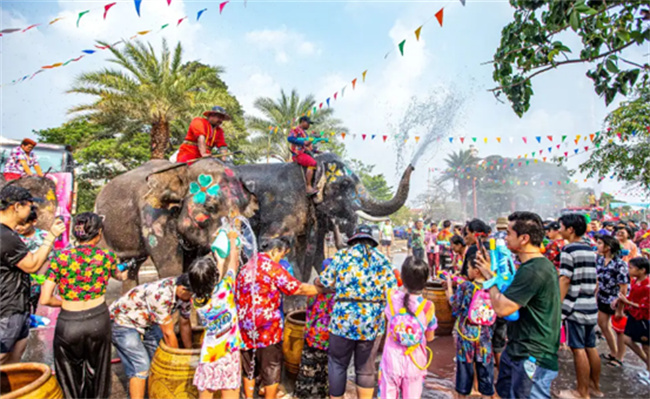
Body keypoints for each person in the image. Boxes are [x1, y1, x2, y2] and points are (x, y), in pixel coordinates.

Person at [39, 212, 128, 398]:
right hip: (98, 321)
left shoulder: (60, 258)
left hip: (69, 323)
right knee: (98, 374)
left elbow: (45, 298)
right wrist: (124, 272)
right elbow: (120, 276)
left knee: (69, 377)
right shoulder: (107, 257)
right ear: (98, 234)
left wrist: (66, 302)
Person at [475, 211, 560, 399]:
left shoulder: (535, 270)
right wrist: (491, 275)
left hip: (533, 355)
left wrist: (490, 282)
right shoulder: (530, 267)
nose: (505, 238)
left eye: (509, 234)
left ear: (524, 238)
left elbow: (503, 308)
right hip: (518, 350)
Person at [236, 237, 321, 399]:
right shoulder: (272, 267)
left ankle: (248, 396)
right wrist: (323, 290)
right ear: (275, 250)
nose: (281, 259)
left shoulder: (246, 266)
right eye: (281, 255)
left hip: (246, 327)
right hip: (267, 329)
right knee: (271, 368)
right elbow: (298, 288)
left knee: (249, 368)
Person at [319, 225, 398, 399]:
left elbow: (324, 281)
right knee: (366, 369)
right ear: (372, 241)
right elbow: (393, 290)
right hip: (371, 322)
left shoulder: (341, 256)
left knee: (338, 364)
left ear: (353, 240)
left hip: (342, 321)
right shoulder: (382, 259)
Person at [0, 186, 65, 365]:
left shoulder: (9, 233)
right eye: (29, 206)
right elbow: (32, 265)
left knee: (13, 364)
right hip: (7, 309)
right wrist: (51, 237)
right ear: (17, 207)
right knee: (4, 357)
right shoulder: (4, 236)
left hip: (19, 306)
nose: (31, 211)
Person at [110, 274, 194, 399]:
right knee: (141, 365)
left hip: (149, 320)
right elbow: (168, 333)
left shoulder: (186, 295)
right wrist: (177, 362)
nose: (192, 298)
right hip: (123, 321)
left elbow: (185, 323)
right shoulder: (161, 294)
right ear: (182, 289)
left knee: (159, 356)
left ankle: (154, 393)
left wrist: (189, 354)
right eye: (191, 294)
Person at [188, 229, 241, 399]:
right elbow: (234, 264)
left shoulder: (196, 301)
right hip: (228, 353)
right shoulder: (225, 290)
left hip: (209, 355)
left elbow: (211, 284)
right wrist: (233, 242)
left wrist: (219, 261)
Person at [557, 213, 602, 399]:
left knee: (578, 348)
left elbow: (565, 279)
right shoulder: (589, 249)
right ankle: (595, 388)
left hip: (575, 306)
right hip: (590, 304)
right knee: (591, 346)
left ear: (570, 229)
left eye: (561, 227)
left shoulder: (569, 250)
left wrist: (558, 305)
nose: (559, 230)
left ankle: (582, 392)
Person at [379, 257, 436, 399]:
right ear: (425, 280)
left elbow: (389, 281)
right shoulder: (428, 306)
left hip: (391, 360)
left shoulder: (391, 298)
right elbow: (430, 337)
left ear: (403, 278)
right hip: (415, 363)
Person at [445, 254, 494, 399]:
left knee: (464, 376)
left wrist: (449, 288)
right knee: (486, 377)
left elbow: (455, 307)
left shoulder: (466, 287)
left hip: (466, 337)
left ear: (477, 270)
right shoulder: (492, 287)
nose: (467, 270)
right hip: (485, 337)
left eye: (468, 268)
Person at [295, 259, 335, 399]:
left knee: (309, 370)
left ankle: (305, 395)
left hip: (311, 337)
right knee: (326, 371)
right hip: (328, 339)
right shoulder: (335, 296)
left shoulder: (313, 292)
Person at [595, 234, 629, 367]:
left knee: (619, 330)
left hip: (616, 300)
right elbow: (599, 279)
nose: (597, 246)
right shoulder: (600, 260)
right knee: (603, 324)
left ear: (607, 247)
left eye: (599, 243)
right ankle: (613, 351)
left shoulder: (620, 264)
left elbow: (624, 288)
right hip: (603, 297)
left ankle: (620, 357)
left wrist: (620, 308)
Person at [615, 257, 650, 374]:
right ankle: (647, 361)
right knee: (626, 339)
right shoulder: (635, 281)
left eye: (631, 268)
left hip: (644, 318)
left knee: (646, 346)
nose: (629, 270)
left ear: (642, 270)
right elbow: (632, 298)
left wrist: (626, 302)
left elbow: (645, 306)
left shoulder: (647, 286)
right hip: (634, 315)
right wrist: (620, 302)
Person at [287, 116, 319, 195]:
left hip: (305, 153)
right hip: (298, 154)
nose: (309, 126)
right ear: (303, 122)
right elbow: (290, 138)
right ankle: (308, 187)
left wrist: (317, 151)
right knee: (312, 163)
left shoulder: (305, 134)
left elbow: (308, 147)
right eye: (308, 123)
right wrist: (303, 143)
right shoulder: (295, 129)